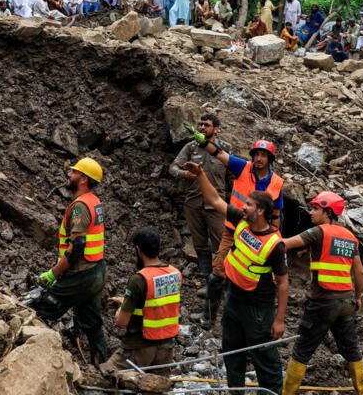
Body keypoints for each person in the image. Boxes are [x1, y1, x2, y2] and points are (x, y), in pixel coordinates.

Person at [183, 160, 288, 395]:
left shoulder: (274, 244)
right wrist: (200, 175)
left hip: (258, 310)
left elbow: (282, 283)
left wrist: (279, 320)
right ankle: (235, 391)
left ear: (260, 210)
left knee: (264, 358)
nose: (244, 206)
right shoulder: (242, 221)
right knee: (232, 351)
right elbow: (215, 200)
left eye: (249, 204)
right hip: (234, 301)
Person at [189, 131, 285, 325]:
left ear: (269, 159)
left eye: (263, 155)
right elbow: (220, 154)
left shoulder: (276, 183)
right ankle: (209, 317)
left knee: (251, 274)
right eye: (256, 154)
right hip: (234, 228)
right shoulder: (243, 167)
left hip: (257, 237)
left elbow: (276, 215)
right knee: (217, 272)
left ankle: (244, 317)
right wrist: (204, 141)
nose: (258, 158)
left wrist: (276, 237)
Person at [280, 192, 363, 395]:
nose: (311, 212)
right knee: (351, 348)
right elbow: (359, 272)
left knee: (302, 350)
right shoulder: (350, 237)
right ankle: (362, 391)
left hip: (323, 302)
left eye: (315, 209)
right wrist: (357, 297)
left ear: (328, 212)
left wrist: (263, 237)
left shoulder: (318, 232)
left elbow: (285, 244)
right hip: (346, 302)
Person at [32, 158, 109, 366]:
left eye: (74, 172)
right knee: (92, 323)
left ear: (83, 179)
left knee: (41, 310)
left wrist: (53, 274)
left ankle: (35, 363)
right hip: (98, 269)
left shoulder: (80, 207)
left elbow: (76, 250)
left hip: (82, 274)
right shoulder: (94, 201)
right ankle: (103, 368)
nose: (69, 174)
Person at [168, 114, 232, 305]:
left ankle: (227, 283)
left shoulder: (225, 149)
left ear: (216, 129)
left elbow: (234, 176)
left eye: (207, 125)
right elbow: (173, 168)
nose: (202, 127)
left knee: (222, 245)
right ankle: (207, 281)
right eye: (200, 124)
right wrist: (184, 174)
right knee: (201, 245)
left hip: (217, 206)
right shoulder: (190, 147)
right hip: (194, 204)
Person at [99, 227, 181, 375]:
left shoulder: (139, 279)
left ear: (138, 250)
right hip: (166, 349)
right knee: (156, 388)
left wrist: (121, 308)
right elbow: (156, 302)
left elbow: (121, 322)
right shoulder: (175, 274)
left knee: (105, 375)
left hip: (138, 348)